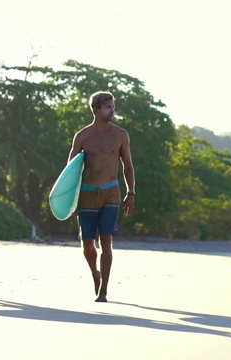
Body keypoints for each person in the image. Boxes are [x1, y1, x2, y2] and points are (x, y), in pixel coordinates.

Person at [67, 91, 135, 302]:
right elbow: (70, 171)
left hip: (110, 192)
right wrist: (68, 199)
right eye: (107, 107)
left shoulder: (121, 135)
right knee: (88, 243)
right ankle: (95, 274)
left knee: (106, 239)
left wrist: (131, 192)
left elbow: (128, 167)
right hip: (87, 193)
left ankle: (103, 289)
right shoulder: (82, 136)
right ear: (96, 110)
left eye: (113, 106)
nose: (112, 110)